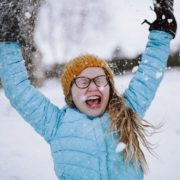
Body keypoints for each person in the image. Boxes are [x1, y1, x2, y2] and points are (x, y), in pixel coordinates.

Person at [0, 0, 177, 179]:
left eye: (100, 80)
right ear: (70, 94)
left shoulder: (126, 111)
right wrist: (7, 43)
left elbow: (149, 73)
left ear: (110, 88)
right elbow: (18, 89)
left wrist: (161, 33)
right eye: (83, 82)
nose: (93, 87)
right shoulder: (55, 123)